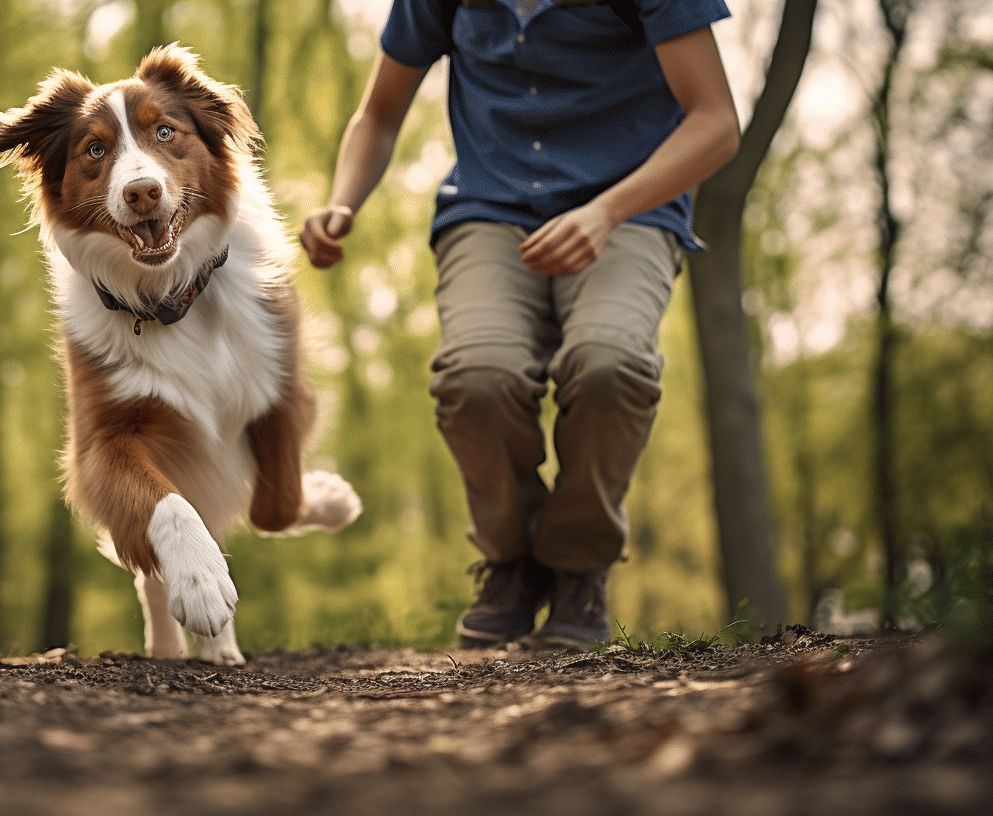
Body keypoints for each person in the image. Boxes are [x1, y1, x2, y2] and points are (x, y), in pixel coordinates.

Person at [300, 0, 740, 650]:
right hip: (490, 208)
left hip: (630, 206)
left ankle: (577, 566)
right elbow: (379, 113)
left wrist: (607, 212)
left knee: (609, 364)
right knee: (477, 377)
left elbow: (717, 123)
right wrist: (342, 200)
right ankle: (510, 564)